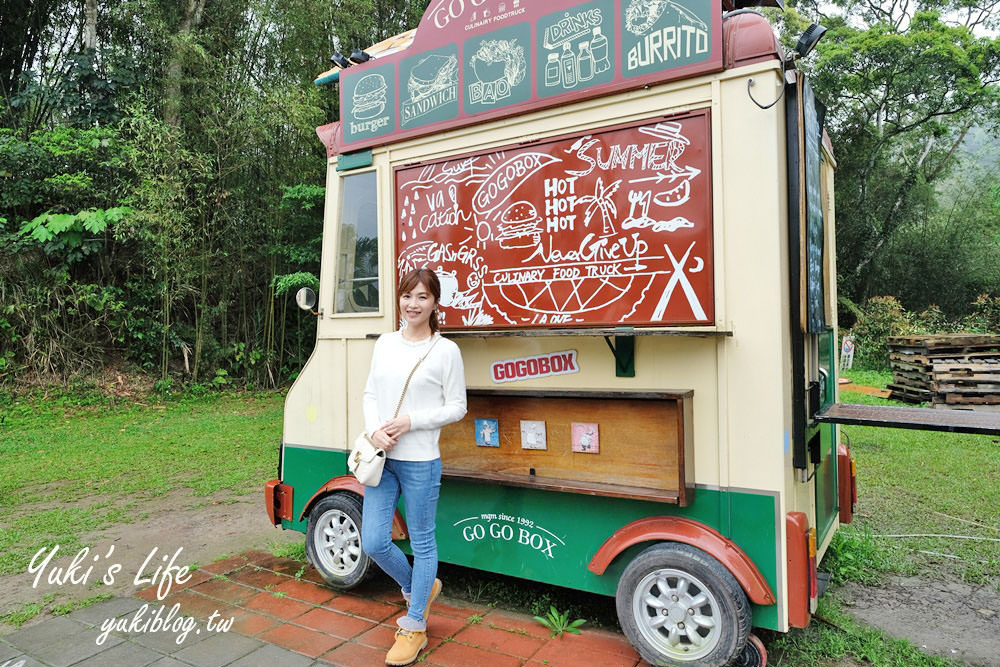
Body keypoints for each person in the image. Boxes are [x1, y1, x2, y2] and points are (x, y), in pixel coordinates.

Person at [361, 267, 467, 666]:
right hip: (382, 459)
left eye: (422, 297)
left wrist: (410, 421)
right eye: (408, 296)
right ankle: (419, 588)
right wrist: (375, 431)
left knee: (422, 542)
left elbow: (458, 406)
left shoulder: (446, 351)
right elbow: (371, 393)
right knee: (373, 541)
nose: (413, 304)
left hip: (421, 460)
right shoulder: (386, 343)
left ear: (435, 303)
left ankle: (415, 623)